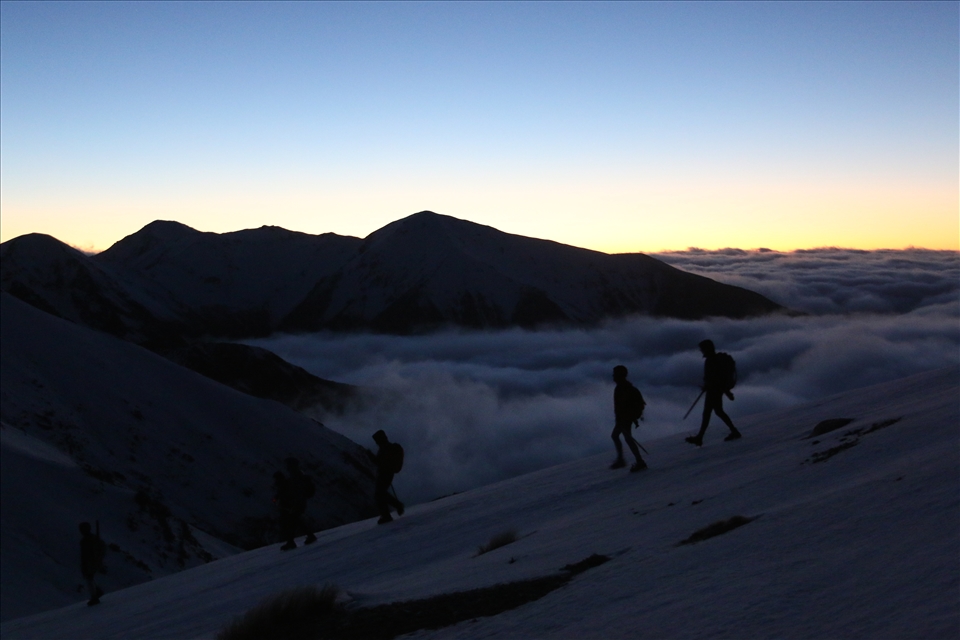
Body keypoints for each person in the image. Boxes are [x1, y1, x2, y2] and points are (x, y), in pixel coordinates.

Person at [686, 340, 742, 446]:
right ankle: (733, 431)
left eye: (702, 349)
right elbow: (718, 378)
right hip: (716, 390)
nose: (701, 351)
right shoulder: (715, 360)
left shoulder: (710, 361)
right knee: (717, 412)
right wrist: (726, 392)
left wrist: (708, 386)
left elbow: (713, 378)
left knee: (710, 413)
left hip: (713, 391)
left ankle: (700, 437)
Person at [274, 458, 317, 550]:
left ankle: (292, 542)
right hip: (297, 503)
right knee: (295, 521)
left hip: (297, 503)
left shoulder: (296, 477)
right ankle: (306, 537)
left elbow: (295, 492)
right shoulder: (297, 476)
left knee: (290, 522)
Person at [610, 365, 647, 472]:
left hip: (624, 419)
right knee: (620, 437)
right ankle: (627, 459)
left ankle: (637, 461)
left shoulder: (622, 389)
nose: (613, 376)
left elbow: (623, 406)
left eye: (615, 374)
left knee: (625, 438)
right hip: (624, 418)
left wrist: (623, 418)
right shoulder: (623, 388)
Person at [372, 430, 405, 524]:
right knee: (381, 493)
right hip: (387, 473)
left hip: (385, 474)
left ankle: (387, 515)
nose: (376, 443)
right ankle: (395, 508)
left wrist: (372, 458)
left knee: (379, 494)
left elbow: (381, 462)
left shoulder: (384, 449)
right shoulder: (387, 447)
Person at [79, 522, 106, 606]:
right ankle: (96, 591)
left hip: (90, 561)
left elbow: (86, 553)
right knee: (89, 577)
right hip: (93, 561)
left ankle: (94, 596)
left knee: (89, 577)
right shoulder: (92, 538)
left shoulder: (86, 540)